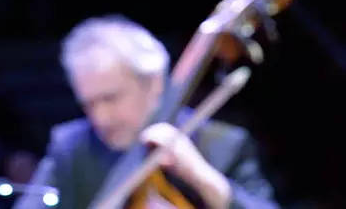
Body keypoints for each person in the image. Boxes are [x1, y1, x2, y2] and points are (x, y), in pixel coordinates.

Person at [16, 17, 277, 209]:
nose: (100, 118)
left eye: (111, 98)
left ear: (154, 84)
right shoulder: (73, 147)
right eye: (89, 104)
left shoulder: (223, 144)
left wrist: (201, 176)